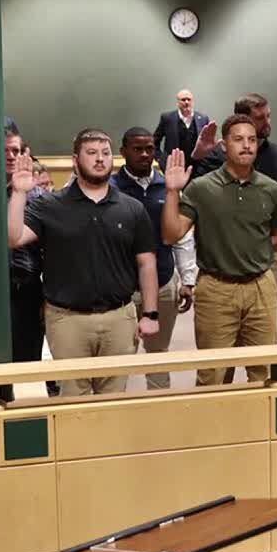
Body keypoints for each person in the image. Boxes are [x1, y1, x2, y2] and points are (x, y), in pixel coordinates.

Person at [7, 128, 161, 397]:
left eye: (104, 153)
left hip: (119, 318)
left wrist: (150, 313)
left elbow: (146, 262)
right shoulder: (50, 205)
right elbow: (14, 237)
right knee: (72, 400)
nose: (100, 159)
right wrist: (19, 192)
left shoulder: (132, 207)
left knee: (113, 398)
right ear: (75, 160)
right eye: (91, 153)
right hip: (67, 320)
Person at [163, 114, 277, 385]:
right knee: (213, 374)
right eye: (238, 139)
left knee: (262, 371)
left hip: (261, 287)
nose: (246, 145)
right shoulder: (201, 188)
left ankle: (257, 427)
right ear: (223, 145)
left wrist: (252, 249)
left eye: (252, 140)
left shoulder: (273, 190)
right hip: (216, 288)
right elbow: (172, 233)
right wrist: (173, 192)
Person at [193, 94, 277, 379]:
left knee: (272, 335)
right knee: (220, 353)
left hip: (272, 256)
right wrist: (199, 156)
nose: (267, 123)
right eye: (259, 118)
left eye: (268, 116)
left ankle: (274, 391)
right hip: (224, 262)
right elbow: (193, 195)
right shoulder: (217, 158)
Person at [112, 127, 199, 390]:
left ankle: (160, 414)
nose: (145, 154)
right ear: (123, 151)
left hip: (162, 284)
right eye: (137, 149)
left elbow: (181, 236)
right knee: (119, 361)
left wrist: (188, 279)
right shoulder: (111, 187)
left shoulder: (168, 185)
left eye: (149, 148)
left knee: (159, 357)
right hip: (121, 289)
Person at [3, 130, 52, 401]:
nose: (11, 156)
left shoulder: (38, 197)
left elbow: (48, 250)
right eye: (5, 151)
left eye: (16, 151)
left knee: (26, 366)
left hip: (26, 288)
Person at [153, 89, 210, 170]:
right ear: (178, 102)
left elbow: (209, 142)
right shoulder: (167, 118)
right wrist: (160, 159)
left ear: (192, 101)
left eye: (189, 99)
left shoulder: (203, 118)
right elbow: (154, 141)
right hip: (173, 166)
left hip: (198, 167)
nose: (186, 102)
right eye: (183, 100)